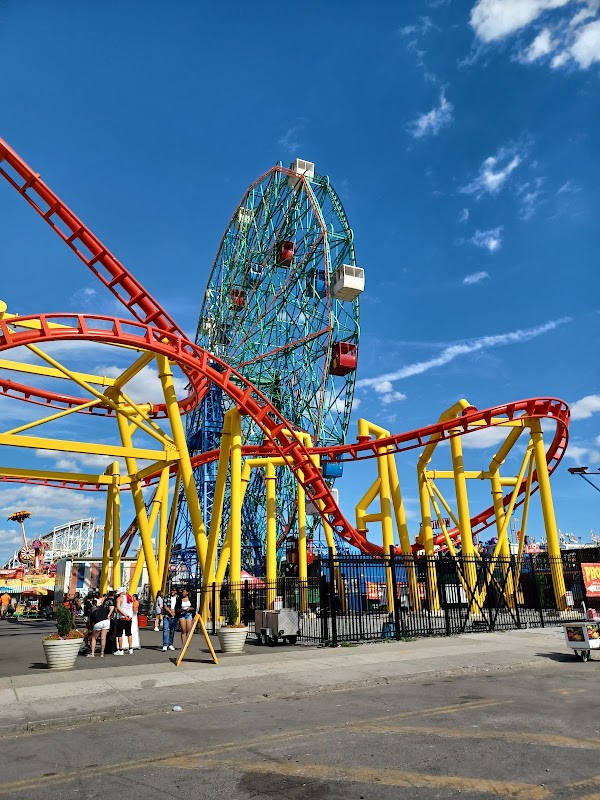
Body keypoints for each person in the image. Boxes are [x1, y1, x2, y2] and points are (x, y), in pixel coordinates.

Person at [113, 587, 134, 656]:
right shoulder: (130, 598)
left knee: (119, 634)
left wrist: (124, 614)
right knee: (129, 633)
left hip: (122, 618)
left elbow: (118, 608)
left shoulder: (119, 598)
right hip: (129, 617)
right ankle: (130, 648)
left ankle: (121, 649)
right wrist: (128, 615)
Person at [161, 587, 179, 652]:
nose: (172, 591)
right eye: (171, 590)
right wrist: (170, 611)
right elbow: (165, 606)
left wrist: (175, 612)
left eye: (174, 590)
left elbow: (179, 607)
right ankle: (165, 645)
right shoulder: (167, 596)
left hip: (174, 617)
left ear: (176, 591)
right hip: (167, 616)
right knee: (165, 630)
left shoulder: (178, 598)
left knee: (172, 631)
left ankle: (170, 644)